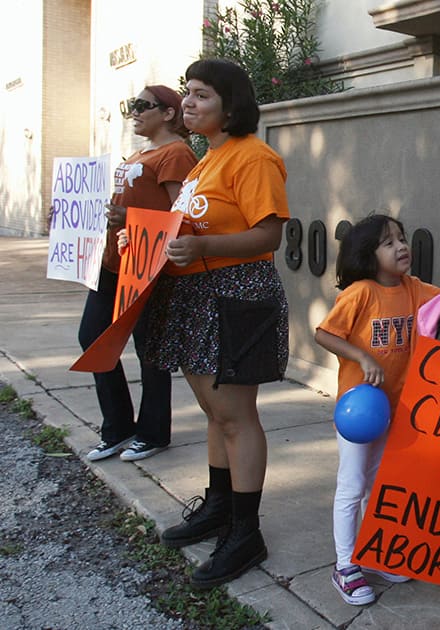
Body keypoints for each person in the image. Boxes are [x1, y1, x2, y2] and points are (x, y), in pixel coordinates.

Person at [143, 59, 291, 589]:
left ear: (231, 105)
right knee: (213, 410)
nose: (188, 102)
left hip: (236, 295)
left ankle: (246, 531)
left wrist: (202, 246)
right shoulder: (206, 161)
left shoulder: (253, 158)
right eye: (187, 93)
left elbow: (268, 236)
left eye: (201, 95)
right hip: (198, 294)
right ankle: (220, 508)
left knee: (235, 414)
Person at [314, 213, 440, 605]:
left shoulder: (413, 288)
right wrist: (362, 357)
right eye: (388, 242)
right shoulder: (361, 293)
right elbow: (324, 333)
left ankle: (375, 551)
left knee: (382, 484)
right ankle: (344, 565)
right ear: (368, 255)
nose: (401, 246)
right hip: (358, 412)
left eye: (402, 238)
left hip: (394, 409)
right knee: (352, 485)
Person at [81, 85, 196, 463]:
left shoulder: (176, 153)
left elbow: (181, 216)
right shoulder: (139, 152)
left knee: (150, 349)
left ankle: (152, 432)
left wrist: (128, 218)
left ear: (168, 113)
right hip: (114, 261)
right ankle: (117, 428)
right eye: (131, 105)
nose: (134, 112)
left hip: (148, 266)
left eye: (142, 105)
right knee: (93, 338)